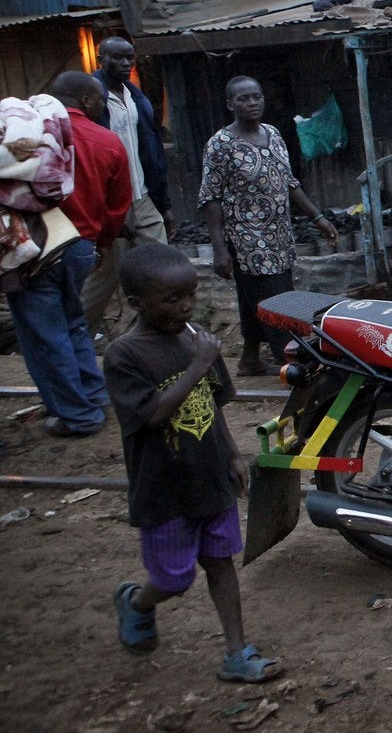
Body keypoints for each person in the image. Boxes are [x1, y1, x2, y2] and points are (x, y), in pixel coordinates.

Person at [105, 242, 283, 683]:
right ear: (135, 303)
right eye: (172, 299)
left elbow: (214, 404)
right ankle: (137, 602)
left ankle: (236, 652)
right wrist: (197, 365)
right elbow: (151, 415)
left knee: (221, 563)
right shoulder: (124, 355)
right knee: (173, 579)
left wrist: (232, 453)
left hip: (210, 477)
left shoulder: (195, 339)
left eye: (190, 296)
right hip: (163, 489)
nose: (185, 307)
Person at [5, 74, 131, 436]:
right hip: (80, 247)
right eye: (102, 100)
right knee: (72, 322)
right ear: (87, 100)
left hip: (35, 247)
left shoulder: (27, 135)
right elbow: (116, 207)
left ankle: (78, 415)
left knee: (44, 335)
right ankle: (93, 395)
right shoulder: (108, 141)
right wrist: (102, 244)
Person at [198, 77, 338, 377]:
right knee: (277, 301)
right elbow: (211, 198)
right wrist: (219, 248)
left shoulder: (273, 134)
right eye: (243, 99)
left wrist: (318, 218)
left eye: (256, 97)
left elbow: (289, 183)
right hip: (247, 239)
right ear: (230, 104)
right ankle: (294, 364)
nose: (252, 103)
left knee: (255, 299)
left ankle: (249, 359)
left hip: (279, 235)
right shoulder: (220, 144)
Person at [81, 35, 173, 338]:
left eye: (129, 58)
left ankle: (160, 335)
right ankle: (77, 336)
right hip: (110, 202)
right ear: (100, 59)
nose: (124, 64)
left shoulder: (135, 97)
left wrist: (164, 202)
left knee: (162, 267)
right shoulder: (90, 99)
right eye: (116, 58)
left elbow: (151, 150)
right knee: (104, 277)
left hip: (142, 195)